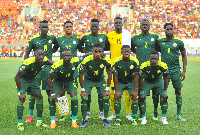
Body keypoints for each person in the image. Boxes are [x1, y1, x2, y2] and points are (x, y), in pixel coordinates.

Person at [24, 20, 58, 123]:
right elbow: (27, 52)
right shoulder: (34, 40)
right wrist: (26, 65)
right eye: (43, 27)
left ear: (48, 28)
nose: (45, 29)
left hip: (48, 69)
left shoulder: (52, 38)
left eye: (46, 27)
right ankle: (30, 116)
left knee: (49, 92)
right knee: (33, 93)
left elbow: (56, 46)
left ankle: (54, 115)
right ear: (39, 27)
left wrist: (50, 54)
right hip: (36, 70)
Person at [15, 48, 54, 131]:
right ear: (34, 55)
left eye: (42, 54)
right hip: (23, 80)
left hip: (32, 80)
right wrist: (21, 92)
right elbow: (17, 77)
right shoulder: (27, 62)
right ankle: (19, 123)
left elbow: (52, 63)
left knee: (39, 97)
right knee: (21, 99)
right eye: (39, 54)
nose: (41, 56)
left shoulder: (44, 60)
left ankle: (39, 122)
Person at [156, 23, 187, 121]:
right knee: (163, 92)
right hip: (164, 70)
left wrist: (184, 71)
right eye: (167, 29)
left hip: (176, 70)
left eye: (171, 29)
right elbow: (154, 53)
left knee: (178, 91)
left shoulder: (179, 42)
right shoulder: (160, 41)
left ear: (173, 30)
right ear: (164, 30)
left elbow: (184, 55)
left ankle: (178, 115)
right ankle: (163, 115)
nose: (169, 31)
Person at [79, 19, 110, 120]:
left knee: (102, 95)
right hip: (89, 67)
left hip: (99, 68)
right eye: (93, 26)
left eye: (96, 26)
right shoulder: (85, 37)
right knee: (87, 95)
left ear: (98, 26)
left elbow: (108, 47)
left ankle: (102, 113)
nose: (94, 28)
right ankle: (87, 113)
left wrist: (101, 54)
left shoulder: (103, 37)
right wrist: (88, 54)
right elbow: (80, 47)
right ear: (90, 26)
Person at [52, 21, 82, 121]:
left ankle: (73, 113)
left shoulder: (77, 40)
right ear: (64, 28)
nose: (69, 28)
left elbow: (82, 50)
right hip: (62, 70)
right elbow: (54, 49)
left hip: (73, 69)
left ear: (72, 28)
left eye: (70, 26)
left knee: (73, 92)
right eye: (67, 26)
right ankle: (63, 113)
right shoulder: (59, 39)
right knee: (61, 92)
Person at [131, 19, 160, 120]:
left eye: (146, 25)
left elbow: (158, 49)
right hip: (141, 68)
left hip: (153, 67)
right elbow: (131, 48)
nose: (144, 26)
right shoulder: (135, 38)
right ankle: (141, 112)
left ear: (149, 26)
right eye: (143, 25)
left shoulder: (155, 37)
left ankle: (155, 111)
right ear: (140, 26)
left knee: (155, 91)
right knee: (140, 91)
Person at [79, 43, 112, 127]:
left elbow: (110, 74)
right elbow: (81, 75)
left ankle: (104, 118)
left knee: (106, 96)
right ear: (92, 52)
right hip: (88, 79)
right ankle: (84, 119)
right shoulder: (86, 60)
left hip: (100, 80)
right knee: (85, 97)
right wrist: (82, 90)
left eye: (100, 52)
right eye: (96, 52)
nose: (98, 54)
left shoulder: (105, 60)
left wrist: (107, 89)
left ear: (102, 52)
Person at [106, 17, 132, 120]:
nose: (118, 24)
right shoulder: (109, 36)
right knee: (113, 91)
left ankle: (128, 113)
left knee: (127, 91)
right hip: (114, 67)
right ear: (114, 24)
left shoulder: (127, 35)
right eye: (116, 23)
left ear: (122, 24)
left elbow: (132, 48)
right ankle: (113, 113)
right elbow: (106, 48)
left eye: (119, 23)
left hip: (126, 66)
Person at [48, 49, 80, 129]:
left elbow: (86, 55)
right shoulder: (56, 65)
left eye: (69, 55)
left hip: (69, 81)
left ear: (71, 56)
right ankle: (52, 123)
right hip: (58, 81)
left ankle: (74, 122)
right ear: (61, 57)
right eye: (65, 56)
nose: (68, 57)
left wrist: (101, 54)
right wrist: (52, 93)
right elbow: (49, 79)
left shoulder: (75, 61)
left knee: (74, 98)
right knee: (52, 98)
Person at [140, 50, 169, 124]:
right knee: (142, 97)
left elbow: (166, 78)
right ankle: (143, 118)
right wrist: (142, 92)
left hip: (158, 81)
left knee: (164, 97)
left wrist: (165, 91)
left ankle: (163, 117)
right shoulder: (144, 65)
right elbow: (141, 79)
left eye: (155, 59)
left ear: (158, 59)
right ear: (149, 59)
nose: (153, 61)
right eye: (152, 59)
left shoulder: (163, 65)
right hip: (147, 81)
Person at [112, 45, 139, 125]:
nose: (126, 52)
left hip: (130, 82)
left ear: (130, 52)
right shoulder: (116, 61)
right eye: (125, 51)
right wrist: (116, 90)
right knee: (117, 97)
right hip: (120, 81)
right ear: (121, 52)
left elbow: (136, 76)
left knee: (135, 97)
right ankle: (118, 119)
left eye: (128, 51)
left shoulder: (135, 61)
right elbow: (115, 77)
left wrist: (135, 90)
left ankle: (133, 119)